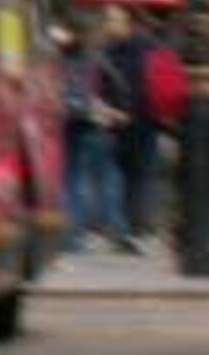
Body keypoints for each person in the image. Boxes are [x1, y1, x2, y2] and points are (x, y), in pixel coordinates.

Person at [62, 17, 135, 251]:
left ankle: (74, 236)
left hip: (72, 122)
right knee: (107, 178)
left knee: (75, 180)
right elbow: (120, 85)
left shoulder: (60, 60)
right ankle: (118, 230)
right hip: (95, 122)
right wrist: (118, 111)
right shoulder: (96, 58)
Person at [102, 5, 162, 251]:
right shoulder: (110, 50)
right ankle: (128, 230)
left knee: (135, 177)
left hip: (137, 122)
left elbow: (146, 86)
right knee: (129, 178)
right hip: (127, 122)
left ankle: (131, 229)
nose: (108, 24)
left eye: (113, 20)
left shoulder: (140, 49)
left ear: (128, 22)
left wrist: (121, 111)